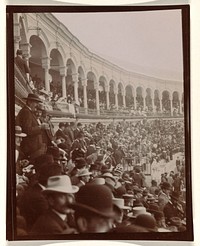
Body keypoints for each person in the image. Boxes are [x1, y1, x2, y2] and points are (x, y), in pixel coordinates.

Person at [15, 93, 50, 161]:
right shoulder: (26, 112)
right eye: (36, 103)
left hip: (34, 148)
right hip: (31, 150)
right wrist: (40, 127)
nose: (37, 105)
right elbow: (27, 130)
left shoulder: (28, 112)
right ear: (30, 102)